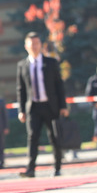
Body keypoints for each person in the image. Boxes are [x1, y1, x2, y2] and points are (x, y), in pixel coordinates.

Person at [16, 32, 69, 178]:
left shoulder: (51, 62)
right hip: (33, 107)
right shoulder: (22, 65)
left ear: (40, 45)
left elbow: (59, 85)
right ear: (26, 46)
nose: (34, 46)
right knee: (32, 137)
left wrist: (63, 106)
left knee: (54, 137)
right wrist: (21, 110)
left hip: (50, 106)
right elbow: (20, 89)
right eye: (31, 44)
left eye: (37, 43)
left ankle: (57, 167)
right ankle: (31, 169)